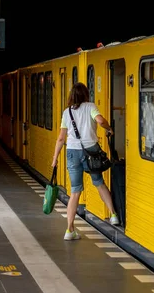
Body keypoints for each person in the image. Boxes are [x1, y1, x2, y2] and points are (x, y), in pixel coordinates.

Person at [51, 82, 119, 241]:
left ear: (71, 96)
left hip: (72, 152)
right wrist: (109, 129)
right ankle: (113, 215)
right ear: (85, 94)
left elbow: (61, 138)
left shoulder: (66, 112)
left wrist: (55, 158)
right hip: (91, 151)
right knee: (99, 183)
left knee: (75, 192)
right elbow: (101, 121)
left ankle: (69, 230)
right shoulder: (90, 106)